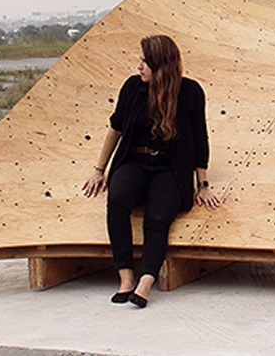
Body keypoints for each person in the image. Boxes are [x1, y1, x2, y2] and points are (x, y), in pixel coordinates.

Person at [82, 34, 220, 307]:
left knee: (158, 217)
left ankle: (146, 280)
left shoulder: (190, 92)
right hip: (134, 162)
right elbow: (116, 129)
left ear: (161, 66)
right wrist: (99, 169)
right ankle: (125, 277)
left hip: (170, 167)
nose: (139, 67)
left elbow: (200, 138)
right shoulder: (133, 88)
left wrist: (203, 185)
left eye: (145, 62)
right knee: (117, 200)